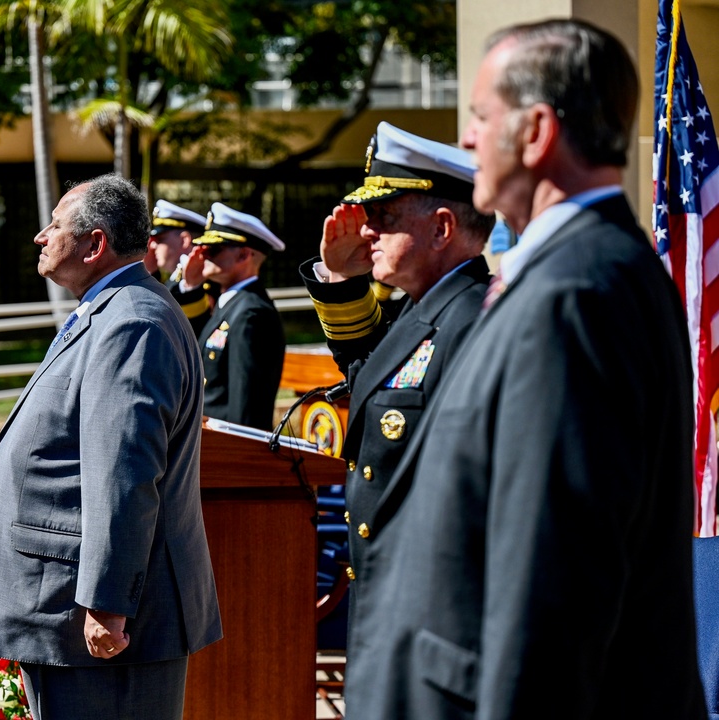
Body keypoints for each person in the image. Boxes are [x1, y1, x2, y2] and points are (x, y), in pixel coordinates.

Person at [355, 19, 706, 718]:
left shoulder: (575, 292)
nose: (466, 139)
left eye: (481, 116)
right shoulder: (574, 273)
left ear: (538, 130)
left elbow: (553, 578)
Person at [0, 174, 222, 720]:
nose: (40, 236)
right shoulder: (112, 310)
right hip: (65, 612)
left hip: (97, 626)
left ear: (95, 243)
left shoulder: (132, 322)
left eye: (55, 225)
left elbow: (123, 474)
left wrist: (107, 604)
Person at [298, 120, 493, 705]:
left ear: (442, 227)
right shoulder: (421, 314)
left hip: (436, 621)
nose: (368, 231)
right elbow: (371, 377)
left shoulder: (474, 321)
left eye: (386, 217)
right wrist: (340, 280)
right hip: (389, 609)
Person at [175, 202, 286, 430]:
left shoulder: (251, 313)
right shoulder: (233, 304)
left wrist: (235, 460)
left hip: (227, 450)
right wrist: (191, 285)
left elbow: (245, 409)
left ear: (244, 255)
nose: (202, 253)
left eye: (214, 249)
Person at [144, 199, 218, 334]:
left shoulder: (206, 283)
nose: (153, 246)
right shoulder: (174, 280)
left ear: (184, 240)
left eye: (160, 240)